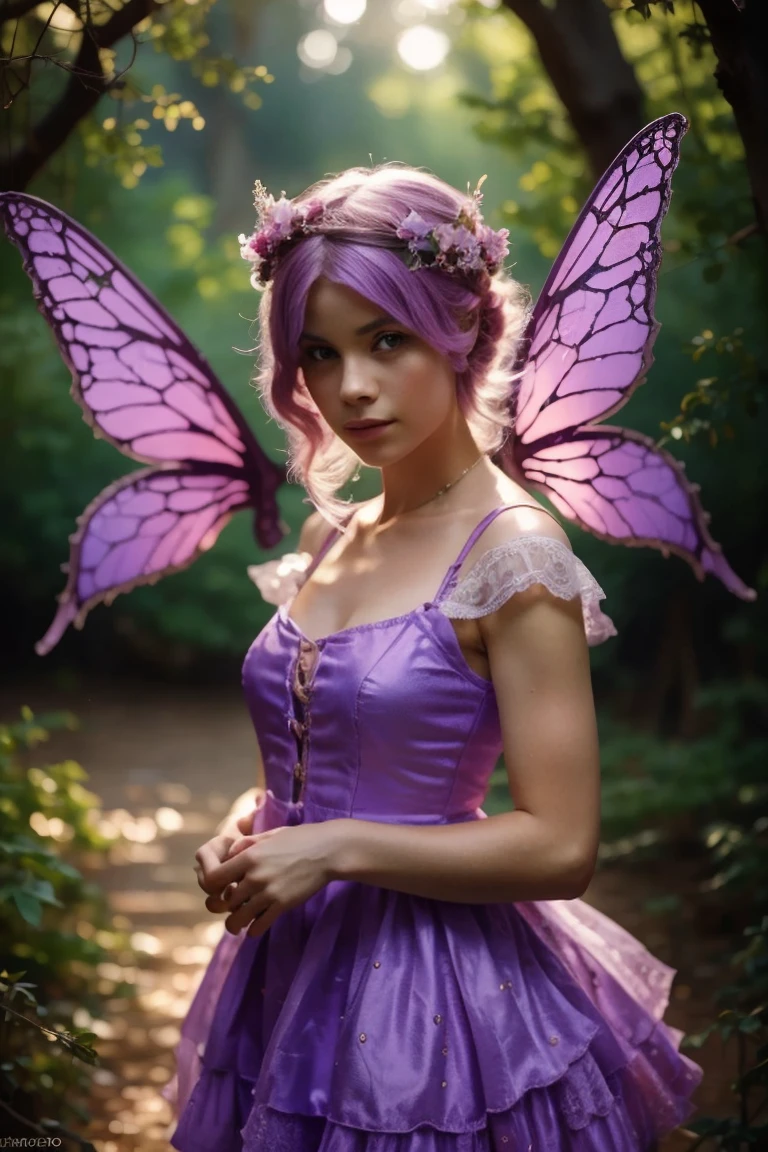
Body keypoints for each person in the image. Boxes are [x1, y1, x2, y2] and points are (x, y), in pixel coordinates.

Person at [164, 163, 703, 1151]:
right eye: (319, 354)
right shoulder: (339, 532)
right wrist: (247, 830)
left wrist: (335, 848)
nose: (351, 387)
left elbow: (560, 846)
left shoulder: (512, 554)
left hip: (436, 1002)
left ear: (460, 332)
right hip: (286, 971)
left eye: (386, 340)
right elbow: (309, 757)